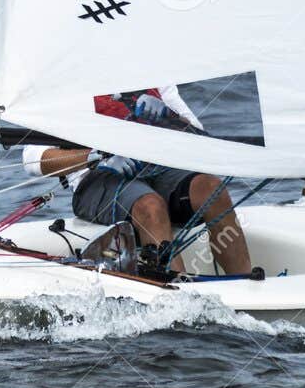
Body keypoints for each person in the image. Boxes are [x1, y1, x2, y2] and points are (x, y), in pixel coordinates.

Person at [20, 86, 251, 276]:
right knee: (150, 206)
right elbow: (32, 160)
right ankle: (180, 299)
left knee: (211, 189)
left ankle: (247, 287)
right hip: (96, 177)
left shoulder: (150, 71)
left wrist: (169, 116)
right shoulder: (67, 82)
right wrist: (94, 158)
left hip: (158, 166)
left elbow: (199, 135)